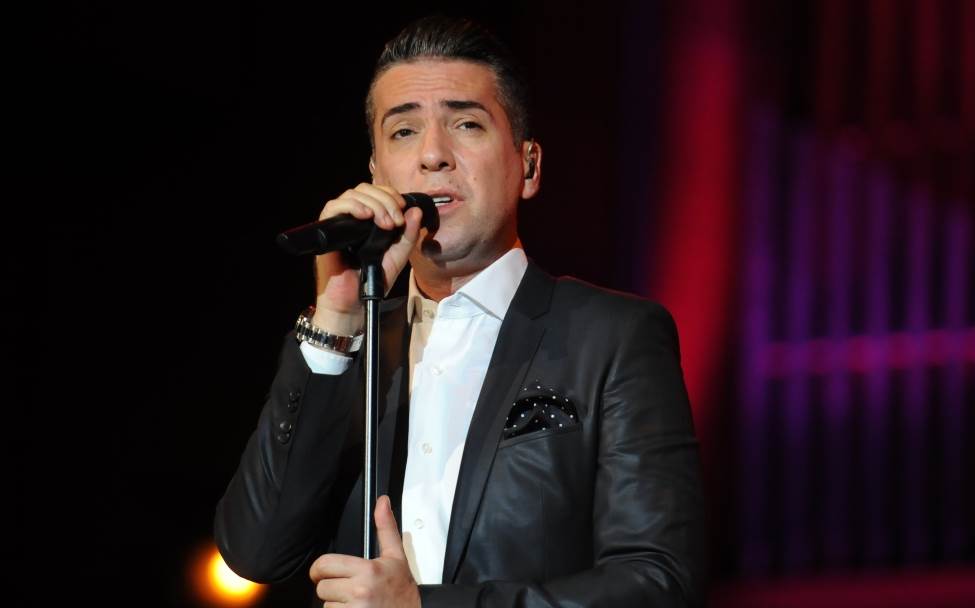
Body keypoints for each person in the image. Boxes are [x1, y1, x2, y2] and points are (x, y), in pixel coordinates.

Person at [214, 15, 705, 608]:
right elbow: (257, 553)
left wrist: (425, 607)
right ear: (375, 173)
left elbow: (657, 582)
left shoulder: (612, 337)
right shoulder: (348, 348)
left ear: (529, 166)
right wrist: (337, 322)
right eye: (403, 132)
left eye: (466, 124)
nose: (432, 155)